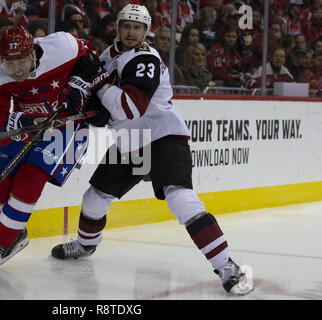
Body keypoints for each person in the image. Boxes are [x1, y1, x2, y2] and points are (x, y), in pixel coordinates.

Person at [51, 3, 253, 296]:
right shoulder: (107, 57)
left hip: (163, 136)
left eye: (138, 27)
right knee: (95, 197)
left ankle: (227, 267)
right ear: (117, 28)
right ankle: (86, 244)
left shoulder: (144, 57)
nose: (131, 32)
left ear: (146, 32)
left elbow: (129, 108)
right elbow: (101, 104)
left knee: (181, 199)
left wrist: (99, 89)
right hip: (131, 144)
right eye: (126, 26)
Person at [0, 25, 108, 274]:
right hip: (29, 127)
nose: (18, 69)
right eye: (10, 64)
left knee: (30, 178)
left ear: (33, 50)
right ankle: (14, 234)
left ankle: (0, 244)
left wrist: (79, 85)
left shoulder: (62, 47)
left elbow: (91, 57)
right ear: (1, 60)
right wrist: (21, 122)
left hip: (68, 123)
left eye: (23, 60)